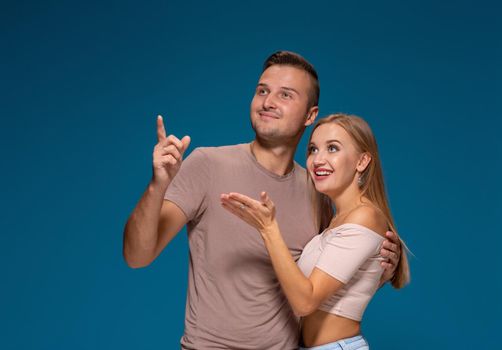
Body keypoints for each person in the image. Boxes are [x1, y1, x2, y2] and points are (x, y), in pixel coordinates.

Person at [123, 51, 402, 349]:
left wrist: (383, 265)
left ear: (310, 115)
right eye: (262, 91)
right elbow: (137, 257)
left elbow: (324, 279)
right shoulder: (207, 164)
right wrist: (158, 185)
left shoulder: (318, 190)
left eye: (285, 95)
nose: (268, 101)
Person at [220, 114, 410, 349]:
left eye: (332, 148)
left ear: (362, 161)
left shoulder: (365, 216)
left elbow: (305, 302)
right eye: (312, 149)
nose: (318, 159)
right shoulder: (335, 221)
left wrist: (269, 229)